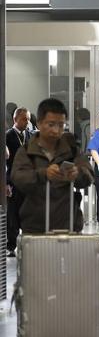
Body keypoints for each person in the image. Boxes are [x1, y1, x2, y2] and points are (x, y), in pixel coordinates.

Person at [11, 98, 94, 233]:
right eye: (51, 124)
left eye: (61, 125)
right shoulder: (27, 151)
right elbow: (18, 177)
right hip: (34, 227)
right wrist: (43, 174)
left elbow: (89, 175)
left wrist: (77, 173)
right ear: (39, 123)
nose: (56, 130)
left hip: (68, 226)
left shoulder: (71, 149)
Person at [5, 107, 32, 257]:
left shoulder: (31, 136)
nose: (27, 122)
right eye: (24, 119)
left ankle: (27, 243)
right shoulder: (8, 136)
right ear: (15, 119)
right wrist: (5, 183)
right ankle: (11, 246)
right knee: (13, 215)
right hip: (13, 181)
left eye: (28, 119)